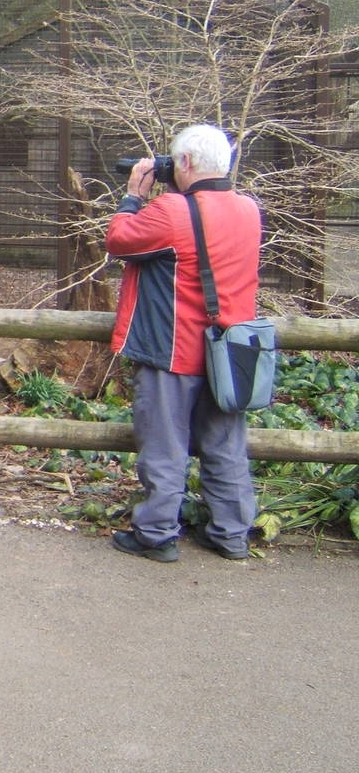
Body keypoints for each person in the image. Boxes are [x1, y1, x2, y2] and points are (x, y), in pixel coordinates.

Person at [105, 123, 263, 562]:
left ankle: (156, 534)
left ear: (187, 163)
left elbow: (119, 240)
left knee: (164, 445)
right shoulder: (250, 209)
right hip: (230, 352)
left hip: (173, 350)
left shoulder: (172, 211)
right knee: (225, 444)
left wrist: (134, 194)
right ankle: (231, 534)